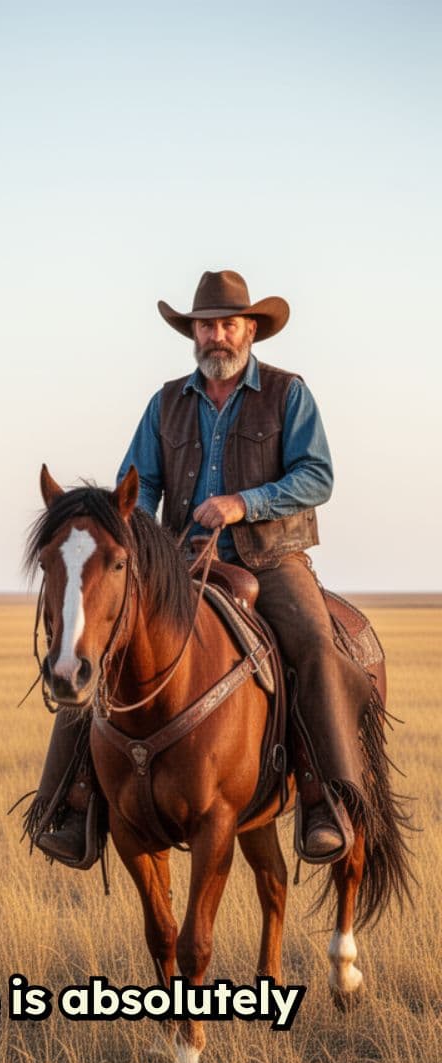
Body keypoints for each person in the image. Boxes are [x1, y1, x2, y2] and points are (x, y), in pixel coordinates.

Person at [30, 269, 374, 865]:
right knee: (97, 649)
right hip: (182, 561)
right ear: (192, 333)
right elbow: (134, 490)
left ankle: (327, 800)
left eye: (227, 324)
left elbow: (317, 476)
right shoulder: (166, 403)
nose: (216, 335)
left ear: (250, 331)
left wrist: (245, 503)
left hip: (270, 559)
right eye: (205, 325)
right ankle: (71, 804)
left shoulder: (288, 393)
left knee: (316, 647)